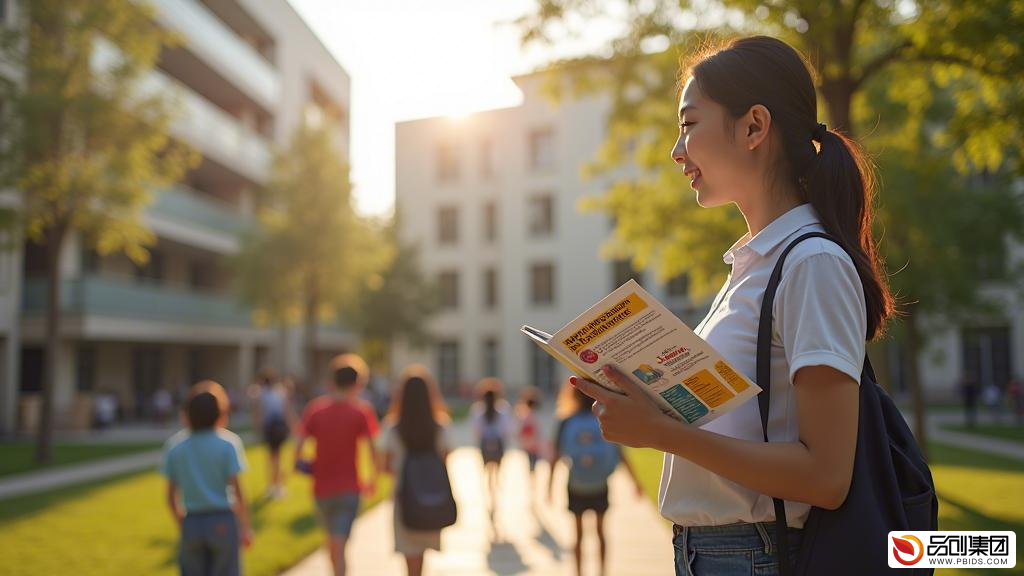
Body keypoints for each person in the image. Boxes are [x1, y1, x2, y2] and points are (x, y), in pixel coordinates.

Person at [568, 36, 897, 575]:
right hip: (713, 555)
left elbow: (827, 477)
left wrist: (661, 432)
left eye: (689, 124)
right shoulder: (754, 265)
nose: (677, 151)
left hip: (758, 558)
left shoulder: (811, 262)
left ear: (753, 127)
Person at [293, 354, 380, 576]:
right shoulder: (361, 411)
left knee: (333, 541)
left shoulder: (316, 410)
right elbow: (372, 451)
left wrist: (305, 466)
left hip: (322, 488)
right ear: (358, 383)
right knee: (339, 544)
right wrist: (373, 480)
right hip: (350, 487)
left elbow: (298, 449)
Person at [549, 381, 644, 576]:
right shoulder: (605, 419)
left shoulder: (566, 421)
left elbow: (556, 456)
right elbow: (620, 453)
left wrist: (547, 486)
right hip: (600, 484)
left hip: (576, 484)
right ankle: (602, 572)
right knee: (601, 533)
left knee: (578, 535)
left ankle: (578, 572)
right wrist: (635, 482)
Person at [162, 381, 252, 576]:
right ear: (219, 413)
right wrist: (245, 526)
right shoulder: (228, 444)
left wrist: (183, 522)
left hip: (191, 520)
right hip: (222, 519)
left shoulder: (176, 446)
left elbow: (170, 497)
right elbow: (238, 491)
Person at [381, 365, 453, 576]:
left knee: (409, 555)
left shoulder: (393, 428)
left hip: (405, 497)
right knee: (422, 555)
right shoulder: (440, 426)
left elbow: (385, 466)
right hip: (432, 496)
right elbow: (445, 458)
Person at [251, 368, 295, 499]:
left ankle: (274, 485)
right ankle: (278, 486)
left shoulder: (262, 393)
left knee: (272, 458)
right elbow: (287, 411)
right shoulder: (280, 392)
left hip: (271, 427)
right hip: (280, 427)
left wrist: (258, 427)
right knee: (278, 457)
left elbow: (259, 412)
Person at [471, 378, 511, 520]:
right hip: (498, 444)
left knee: (487, 473)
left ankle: (489, 495)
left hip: (485, 444)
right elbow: (506, 430)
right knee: (497, 472)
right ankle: (495, 496)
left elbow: (477, 431)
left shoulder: (478, 411)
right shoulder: (503, 410)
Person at [516, 386, 546, 492]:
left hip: (530, 444)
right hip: (532, 445)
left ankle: (533, 484)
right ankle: (533, 485)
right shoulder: (531, 416)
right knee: (533, 465)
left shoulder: (524, 415)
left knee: (532, 465)